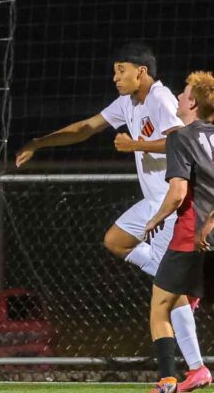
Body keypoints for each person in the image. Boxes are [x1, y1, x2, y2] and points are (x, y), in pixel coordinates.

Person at [16, 42, 206, 384]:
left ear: (141, 72)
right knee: (116, 240)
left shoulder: (161, 99)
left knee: (166, 295)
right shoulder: (126, 103)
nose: (115, 78)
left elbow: (179, 140)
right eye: (114, 72)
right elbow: (87, 127)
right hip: (151, 201)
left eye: (121, 71)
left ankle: (195, 368)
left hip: (170, 204)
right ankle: (178, 287)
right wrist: (39, 142)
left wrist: (136, 145)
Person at [144, 71, 214, 393]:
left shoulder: (180, 137)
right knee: (182, 300)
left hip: (190, 237)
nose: (179, 98)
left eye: (184, 93)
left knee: (161, 305)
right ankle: (196, 371)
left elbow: (177, 194)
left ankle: (168, 381)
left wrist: (156, 219)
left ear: (193, 102)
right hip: (210, 233)